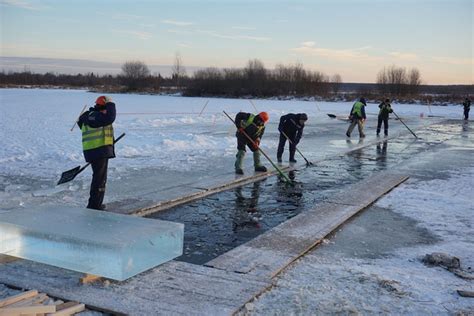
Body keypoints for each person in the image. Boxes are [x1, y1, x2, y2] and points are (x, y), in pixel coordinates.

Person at [78, 96, 116, 210]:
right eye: (106, 108)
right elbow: (109, 118)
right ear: (102, 107)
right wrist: (111, 104)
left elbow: (101, 128)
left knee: (99, 178)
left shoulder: (94, 116)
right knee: (99, 180)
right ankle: (94, 205)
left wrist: (110, 142)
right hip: (97, 150)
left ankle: (95, 204)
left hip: (98, 150)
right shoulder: (93, 116)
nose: (107, 111)